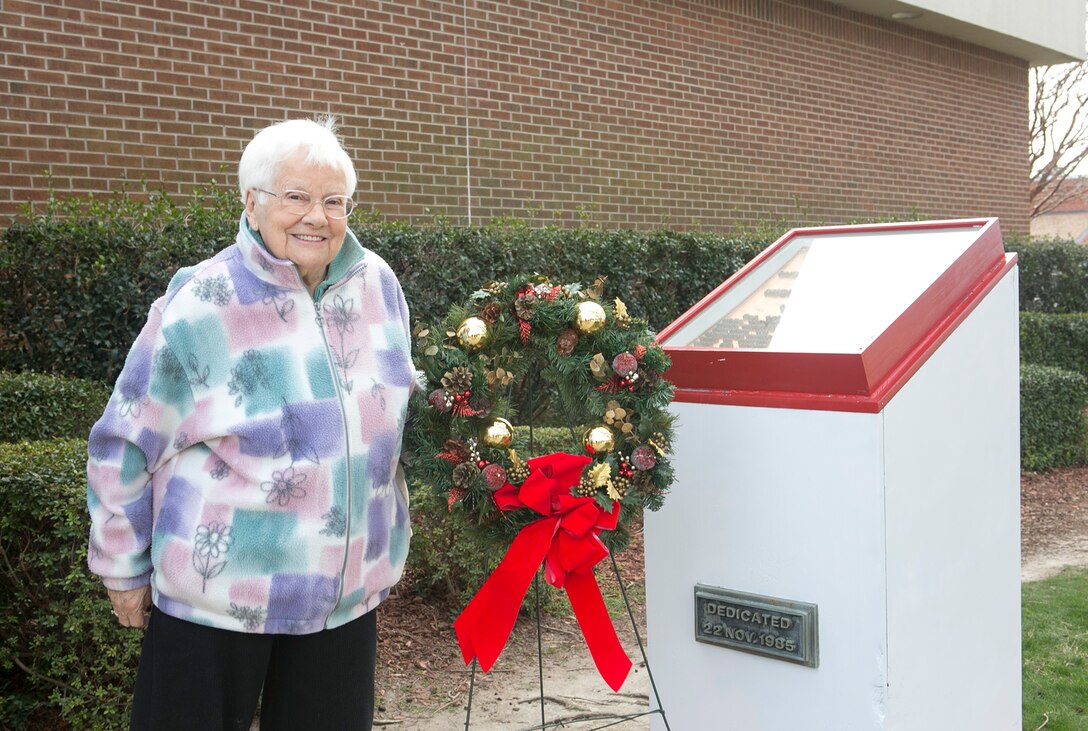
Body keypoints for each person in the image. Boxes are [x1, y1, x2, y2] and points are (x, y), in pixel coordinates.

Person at [86, 117, 416, 730]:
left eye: (333, 201)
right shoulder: (204, 301)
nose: (316, 216)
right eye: (295, 197)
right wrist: (121, 563)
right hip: (218, 602)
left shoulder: (377, 285)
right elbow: (126, 441)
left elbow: (392, 413)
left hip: (342, 602)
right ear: (252, 202)